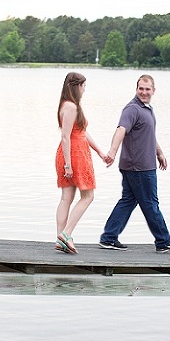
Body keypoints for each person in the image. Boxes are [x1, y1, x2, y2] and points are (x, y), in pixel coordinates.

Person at [99, 74, 170, 253]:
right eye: (141, 89)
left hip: (141, 165)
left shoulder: (147, 109)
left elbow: (149, 136)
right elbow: (120, 130)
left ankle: (108, 237)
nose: (144, 92)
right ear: (136, 89)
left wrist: (159, 152)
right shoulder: (132, 109)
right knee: (150, 203)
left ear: (153, 90)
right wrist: (112, 152)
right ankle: (164, 241)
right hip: (139, 167)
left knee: (128, 201)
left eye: (147, 89)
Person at [55, 72, 107, 253]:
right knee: (88, 196)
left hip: (73, 152)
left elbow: (82, 132)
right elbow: (65, 136)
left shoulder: (67, 104)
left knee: (66, 198)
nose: (84, 89)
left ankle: (60, 238)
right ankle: (66, 233)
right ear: (76, 86)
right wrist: (68, 164)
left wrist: (99, 151)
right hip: (75, 154)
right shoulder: (71, 107)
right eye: (83, 86)